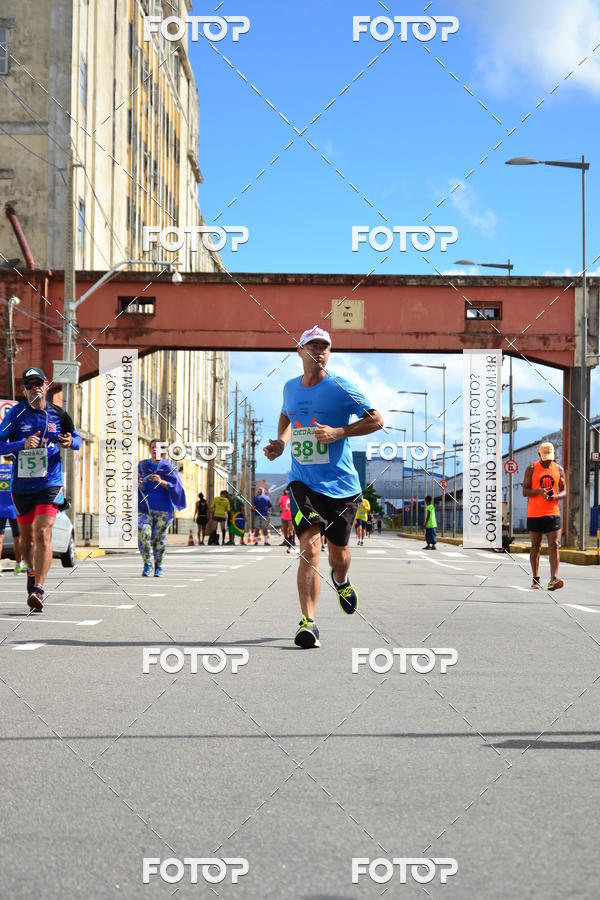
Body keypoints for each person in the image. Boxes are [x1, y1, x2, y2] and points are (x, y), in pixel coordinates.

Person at [264, 325, 384, 648]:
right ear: (300, 351)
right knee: (310, 548)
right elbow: (287, 414)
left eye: (325, 346)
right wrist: (281, 443)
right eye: (313, 345)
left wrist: (339, 432)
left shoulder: (341, 387)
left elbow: (376, 419)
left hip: (342, 486)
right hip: (303, 481)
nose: (320, 351)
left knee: (338, 554)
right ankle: (308, 623)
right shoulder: (290, 388)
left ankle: (341, 580)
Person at [0, 367, 81, 611]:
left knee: (43, 531)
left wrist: (69, 441)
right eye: (29, 385)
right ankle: (31, 573)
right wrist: (21, 444)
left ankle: (39, 589)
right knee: (26, 540)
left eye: (38, 383)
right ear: (23, 390)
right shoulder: (16, 413)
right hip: (22, 486)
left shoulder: (58, 414)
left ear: (46, 385)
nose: (35, 388)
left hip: (49, 483)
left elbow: (76, 439)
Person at [138, 439, 186, 576]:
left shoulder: (168, 467)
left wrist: (161, 481)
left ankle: (158, 566)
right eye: (153, 447)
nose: (155, 449)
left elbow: (176, 487)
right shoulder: (142, 465)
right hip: (145, 508)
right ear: (149, 449)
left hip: (163, 510)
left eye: (158, 447)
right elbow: (135, 483)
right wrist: (138, 484)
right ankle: (147, 564)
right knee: (143, 533)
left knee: (159, 540)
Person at [522, 442, 566, 590]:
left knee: (555, 545)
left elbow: (564, 491)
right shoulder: (531, 468)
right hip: (534, 514)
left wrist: (555, 497)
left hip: (552, 513)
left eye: (550, 458)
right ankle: (536, 578)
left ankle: (553, 579)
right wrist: (540, 492)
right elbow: (525, 491)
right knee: (536, 546)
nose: (548, 461)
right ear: (539, 454)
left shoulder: (559, 469)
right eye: (545, 457)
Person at [0, 459, 26, 575]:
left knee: (0, 538)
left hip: (0, 507)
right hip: (14, 507)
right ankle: (18, 565)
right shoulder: (16, 469)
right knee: (17, 537)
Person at [278, 488, 294, 552]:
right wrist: (283, 509)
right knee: (285, 530)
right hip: (284, 516)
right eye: (287, 492)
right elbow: (278, 507)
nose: (288, 493)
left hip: (291, 517)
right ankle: (286, 541)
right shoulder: (282, 498)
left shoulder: (293, 498)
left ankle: (291, 542)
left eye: (289, 492)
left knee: (290, 530)